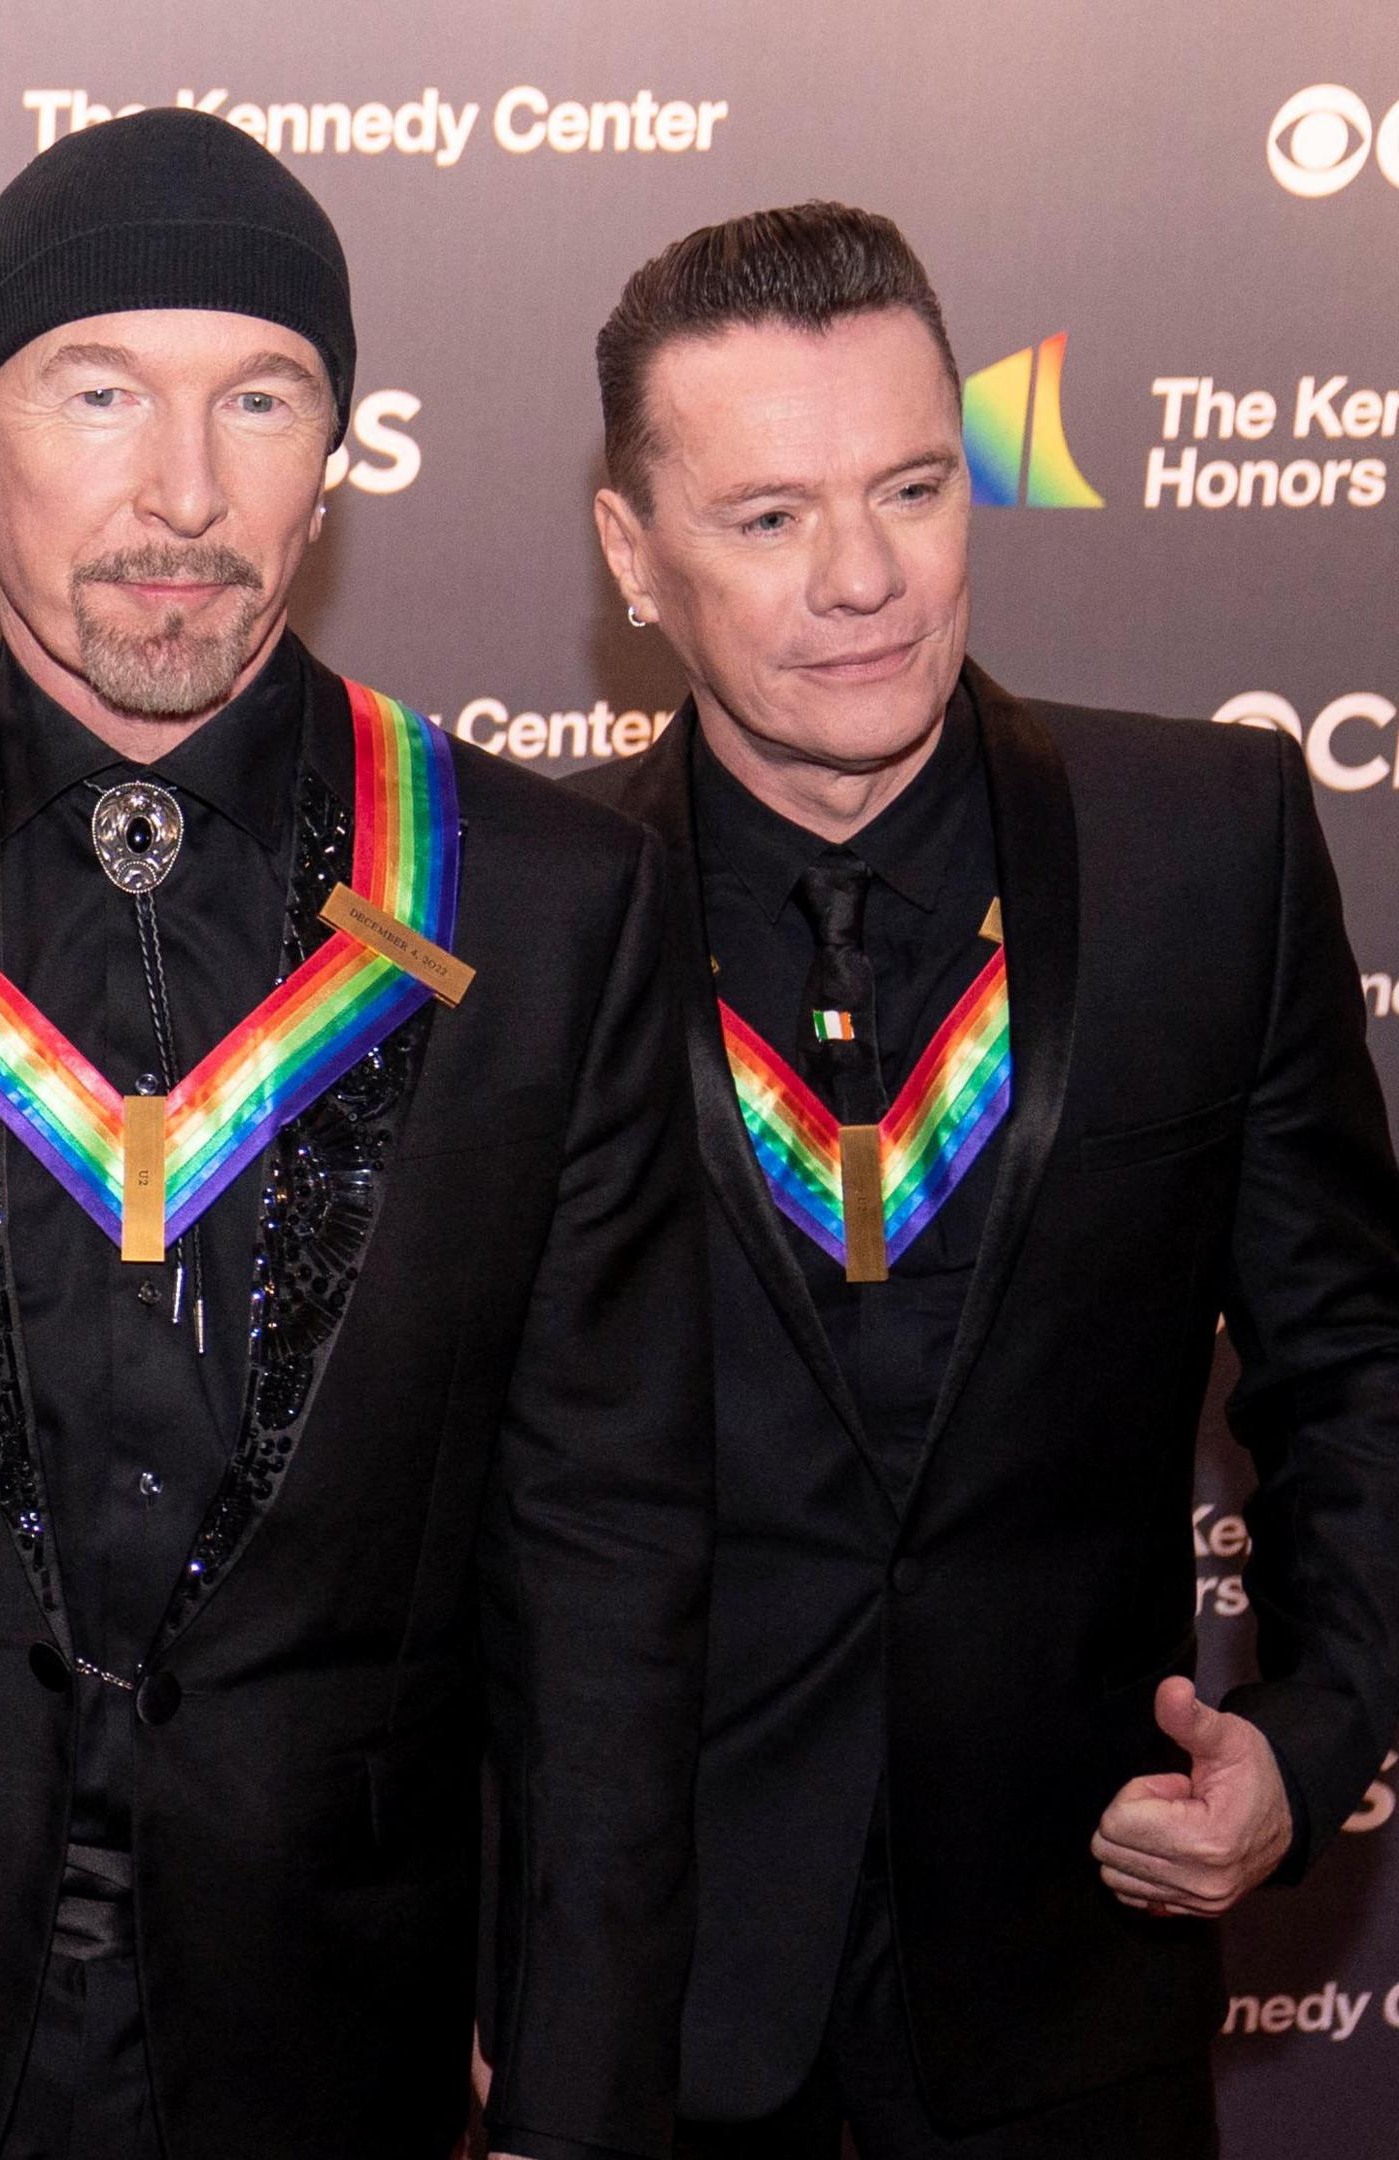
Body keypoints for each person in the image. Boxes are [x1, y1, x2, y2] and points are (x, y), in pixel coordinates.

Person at [0, 108, 714, 2160]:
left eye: (259, 400)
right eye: (101, 394)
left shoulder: (545, 902)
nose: (183, 491)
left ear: (334, 459)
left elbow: (603, 1544)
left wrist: (583, 2069)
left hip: (332, 2030)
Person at [571, 201, 1399, 2160]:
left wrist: (1320, 1721)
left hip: (1073, 1983)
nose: (861, 578)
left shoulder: (1209, 845)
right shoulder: (521, 916)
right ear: (634, 557)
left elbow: (1351, 1350)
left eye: (914, 488)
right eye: (768, 516)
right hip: (643, 2010)